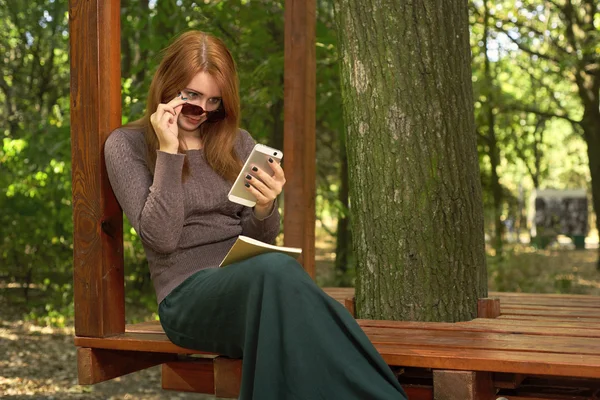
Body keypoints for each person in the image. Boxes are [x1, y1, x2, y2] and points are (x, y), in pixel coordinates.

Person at [104, 30, 407, 400]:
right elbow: (161, 239)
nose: (201, 112)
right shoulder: (127, 145)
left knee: (303, 297)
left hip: (254, 286)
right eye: (191, 97)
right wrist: (170, 153)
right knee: (285, 278)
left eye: (213, 101)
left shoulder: (236, 142)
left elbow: (260, 241)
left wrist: (265, 207)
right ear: (167, 85)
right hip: (187, 299)